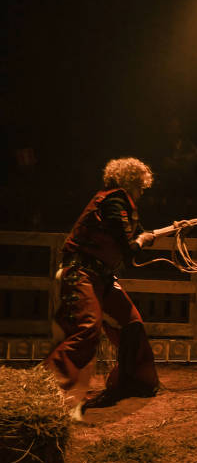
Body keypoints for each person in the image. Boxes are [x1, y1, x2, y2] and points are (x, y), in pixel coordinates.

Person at [43, 157, 159, 420]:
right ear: (131, 183)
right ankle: (45, 391)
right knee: (87, 329)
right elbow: (129, 248)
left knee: (132, 323)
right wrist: (141, 241)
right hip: (82, 271)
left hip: (102, 277)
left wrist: (173, 229)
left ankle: (131, 383)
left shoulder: (124, 207)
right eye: (140, 187)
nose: (141, 193)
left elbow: (140, 233)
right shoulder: (113, 202)